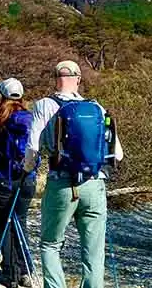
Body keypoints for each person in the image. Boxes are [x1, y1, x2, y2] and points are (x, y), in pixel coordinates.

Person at [22, 61, 124, 288]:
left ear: (55, 78)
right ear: (79, 79)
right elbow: (118, 154)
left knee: (51, 244)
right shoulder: (96, 107)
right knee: (94, 251)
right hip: (95, 184)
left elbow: (33, 147)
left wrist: (26, 170)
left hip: (62, 183)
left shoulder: (44, 104)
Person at [0, 78, 38, 288]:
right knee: (21, 222)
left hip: (1, 178)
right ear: (21, 96)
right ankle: (25, 272)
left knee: (5, 225)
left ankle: (11, 275)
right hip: (27, 178)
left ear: (1, 95)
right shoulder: (30, 118)